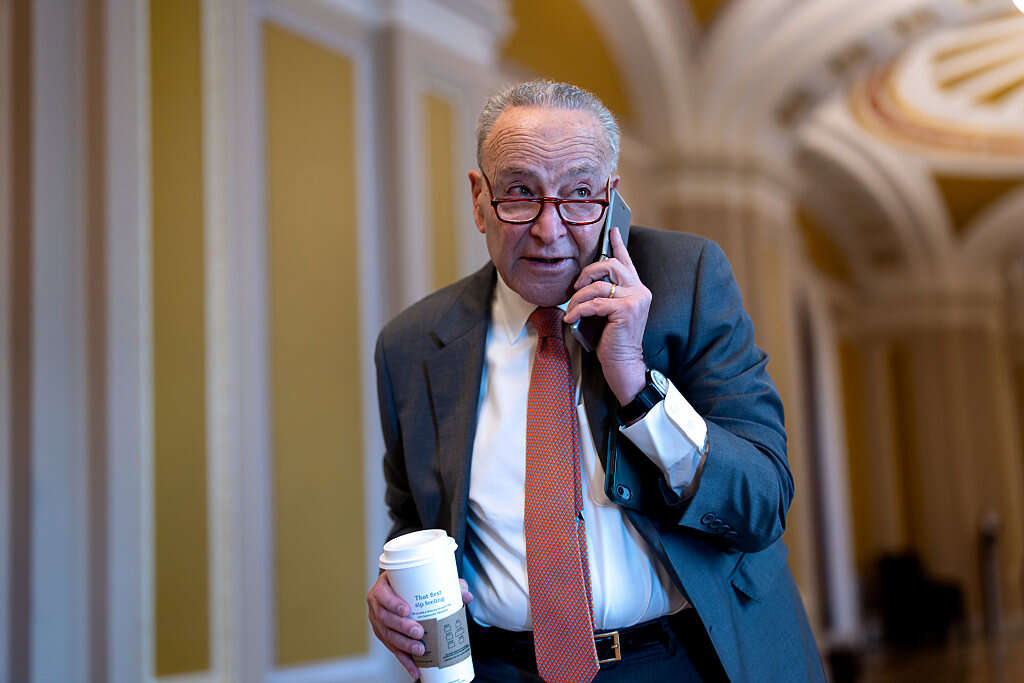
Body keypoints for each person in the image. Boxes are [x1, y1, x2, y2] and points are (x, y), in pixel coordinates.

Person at [367, 80, 824, 682]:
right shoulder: (411, 346)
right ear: (479, 200)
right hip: (504, 669)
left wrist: (637, 384)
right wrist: (394, 586)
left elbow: (760, 503)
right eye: (520, 193)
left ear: (611, 198)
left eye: (580, 194)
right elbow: (416, 514)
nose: (549, 229)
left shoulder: (687, 282)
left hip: (685, 660)